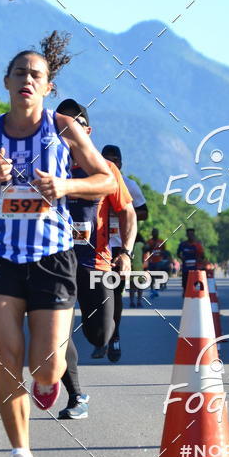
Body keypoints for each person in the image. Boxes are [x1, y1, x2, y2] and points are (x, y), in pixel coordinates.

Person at [0, 32, 116, 457]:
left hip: (52, 257)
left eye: (36, 75)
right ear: (7, 81)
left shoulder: (64, 128)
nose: (27, 79)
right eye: (20, 72)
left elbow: (106, 180)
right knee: (7, 359)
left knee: (46, 365)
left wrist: (65, 187)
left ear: (48, 88)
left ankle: (47, 384)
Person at [54, 101, 136, 419]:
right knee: (56, 334)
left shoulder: (105, 169)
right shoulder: (44, 166)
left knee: (98, 334)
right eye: (61, 125)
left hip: (96, 266)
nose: (68, 130)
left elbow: (127, 211)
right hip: (54, 264)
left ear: (87, 131)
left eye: (75, 124)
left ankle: (108, 338)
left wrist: (126, 253)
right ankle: (75, 396)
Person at [100, 144, 147, 358]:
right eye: (106, 159)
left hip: (119, 245)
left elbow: (144, 212)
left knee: (115, 292)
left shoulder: (128, 184)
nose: (110, 164)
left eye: (114, 161)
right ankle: (100, 333)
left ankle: (114, 335)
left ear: (120, 164)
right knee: (95, 293)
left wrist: (121, 209)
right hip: (97, 244)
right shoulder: (93, 182)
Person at [143, 227, 170, 297]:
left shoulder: (161, 241)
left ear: (158, 234)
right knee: (152, 276)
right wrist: (148, 247)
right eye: (153, 232)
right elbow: (145, 250)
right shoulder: (149, 241)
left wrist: (165, 258)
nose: (155, 234)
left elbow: (164, 250)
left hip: (159, 261)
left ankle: (158, 287)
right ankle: (152, 289)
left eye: (156, 232)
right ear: (152, 234)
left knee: (158, 274)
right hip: (151, 261)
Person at [177, 227, 205, 294]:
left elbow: (203, 256)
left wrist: (199, 260)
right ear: (186, 235)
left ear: (194, 235)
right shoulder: (183, 244)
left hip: (195, 268)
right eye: (189, 235)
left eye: (191, 234)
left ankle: (192, 294)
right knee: (185, 284)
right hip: (185, 268)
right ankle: (185, 294)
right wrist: (181, 258)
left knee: (194, 283)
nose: (190, 236)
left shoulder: (198, 245)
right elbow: (178, 253)